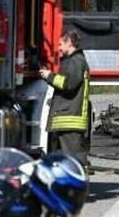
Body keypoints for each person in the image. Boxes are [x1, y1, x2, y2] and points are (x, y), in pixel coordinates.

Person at [39, 28, 91, 168]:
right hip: (67, 119)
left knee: (72, 160)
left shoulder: (75, 61)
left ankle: (77, 186)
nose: (59, 48)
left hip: (69, 119)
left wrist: (49, 76)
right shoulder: (74, 61)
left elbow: (68, 84)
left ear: (69, 43)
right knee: (65, 161)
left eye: (61, 44)